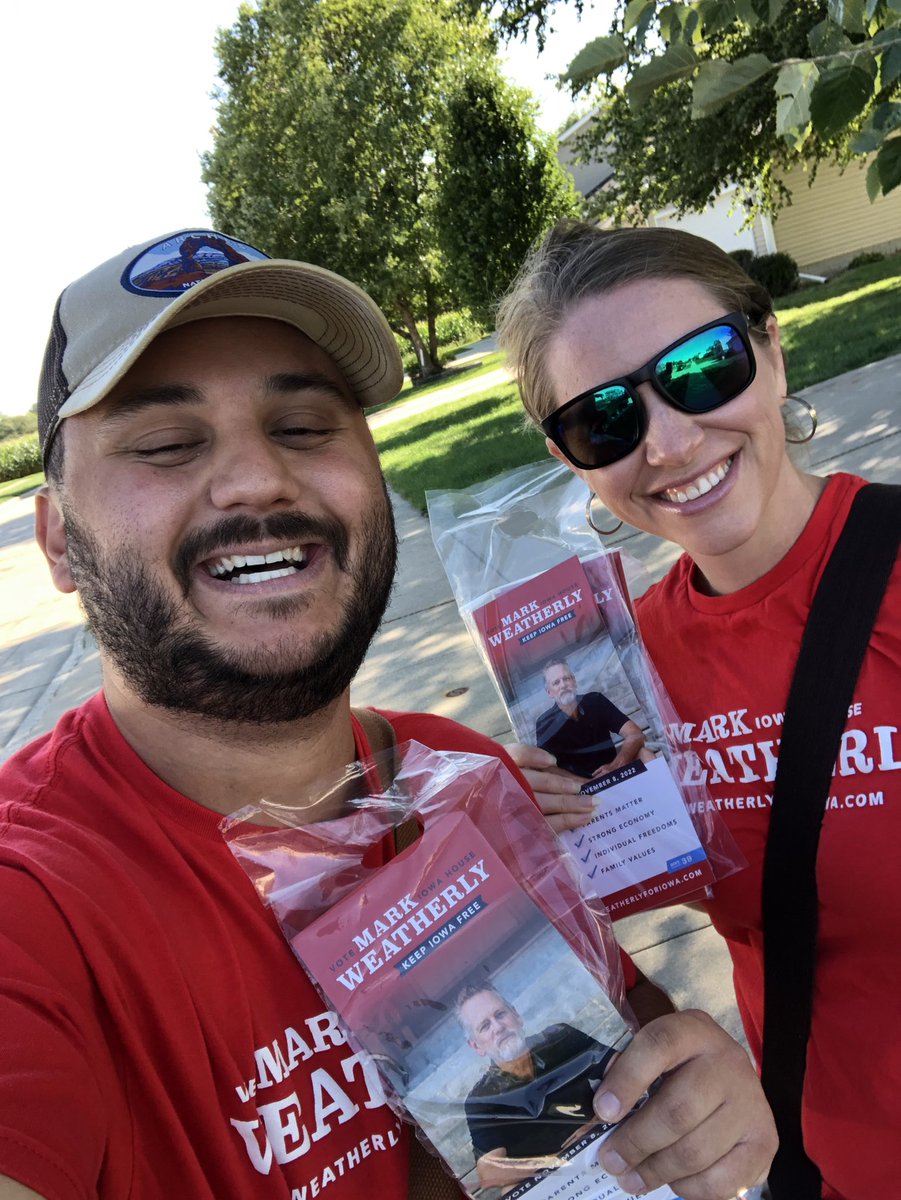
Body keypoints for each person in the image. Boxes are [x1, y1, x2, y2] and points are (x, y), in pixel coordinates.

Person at [0, 228, 775, 1200]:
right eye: (166, 444)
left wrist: (697, 1109)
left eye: (304, 427)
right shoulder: (34, 901)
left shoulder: (458, 778)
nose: (256, 480)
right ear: (59, 541)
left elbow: (623, 1091)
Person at [497, 218, 901, 1200]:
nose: (671, 442)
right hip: (820, 1170)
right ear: (571, 459)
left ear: (768, 346)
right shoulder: (626, 672)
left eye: (702, 366)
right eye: (604, 421)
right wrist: (532, 836)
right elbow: (613, 915)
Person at [457, 984, 617, 1189]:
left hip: (604, 1145)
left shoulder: (560, 1038)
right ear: (477, 1046)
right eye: (485, 1026)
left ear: (516, 1016)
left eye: (500, 1014)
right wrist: (560, 1160)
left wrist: (599, 1121)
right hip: (553, 1183)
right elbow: (490, 1173)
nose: (497, 1027)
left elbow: (620, 1066)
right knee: (510, 1189)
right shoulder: (481, 1099)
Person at [535, 657, 650, 779]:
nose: (563, 685)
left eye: (566, 678)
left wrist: (615, 766)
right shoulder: (545, 723)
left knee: (645, 754)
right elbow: (547, 767)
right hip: (579, 789)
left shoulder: (595, 700)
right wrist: (584, 783)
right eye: (556, 682)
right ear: (549, 692)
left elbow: (635, 734)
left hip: (614, 772)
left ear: (574, 681)